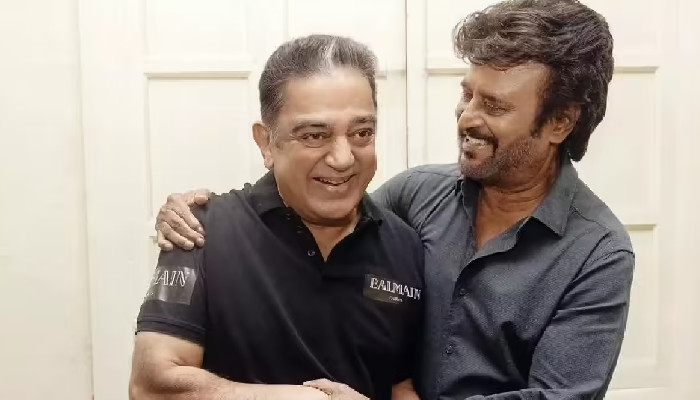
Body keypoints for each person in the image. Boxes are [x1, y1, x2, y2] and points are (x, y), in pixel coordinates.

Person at [154, 0, 636, 399]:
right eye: (468, 94)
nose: (467, 117)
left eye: (494, 106)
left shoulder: (598, 253)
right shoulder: (417, 193)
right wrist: (202, 214)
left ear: (559, 122)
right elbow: (323, 204)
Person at [129, 34, 426, 400]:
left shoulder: (404, 245)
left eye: (362, 133)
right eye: (315, 135)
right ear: (267, 142)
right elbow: (152, 387)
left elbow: (401, 386)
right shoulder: (200, 232)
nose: (343, 158)